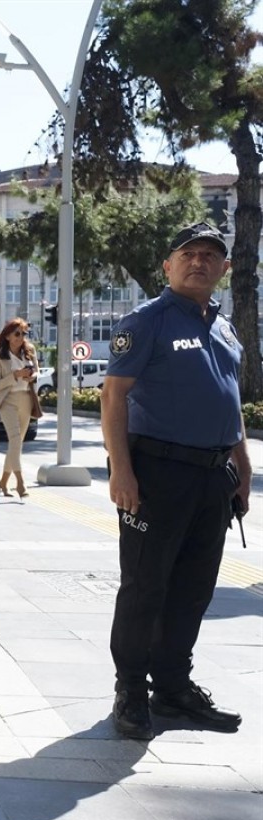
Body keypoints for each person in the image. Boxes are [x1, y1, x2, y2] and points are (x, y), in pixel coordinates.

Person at [102, 221, 248, 741]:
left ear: (224, 270)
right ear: (168, 264)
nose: (199, 262)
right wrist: (121, 470)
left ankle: (172, 687)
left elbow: (228, 398)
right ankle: (129, 690)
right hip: (157, 474)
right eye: (189, 253)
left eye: (211, 255)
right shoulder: (147, 321)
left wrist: (242, 464)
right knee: (145, 586)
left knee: (193, 590)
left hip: (213, 476)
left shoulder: (225, 327)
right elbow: (114, 397)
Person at [0, 318, 38, 497]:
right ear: (8, 336)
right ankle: (20, 483)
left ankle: (3, 481)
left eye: (24, 333)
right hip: (7, 400)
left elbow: (37, 371)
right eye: (17, 333)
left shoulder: (30, 351)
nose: (21, 337)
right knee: (15, 440)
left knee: (16, 444)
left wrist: (31, 376)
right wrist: (15, 375)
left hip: (26, 399)